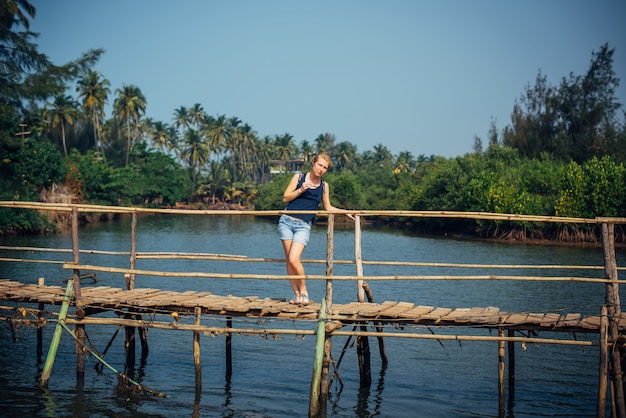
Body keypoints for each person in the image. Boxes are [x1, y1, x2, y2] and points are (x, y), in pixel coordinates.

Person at [278, 152, 353, 305]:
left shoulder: (324, 186)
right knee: (289, 261)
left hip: (303, 225)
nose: (321, 169)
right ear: (313, 163)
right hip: (286, 221)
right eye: (320, 165)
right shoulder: (298, 178)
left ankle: (304, 290)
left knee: (294, 259)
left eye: (325, 168)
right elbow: (285, 198)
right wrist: (301, 190)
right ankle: (296, 294)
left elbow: (328, 207)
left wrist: (345, 211)